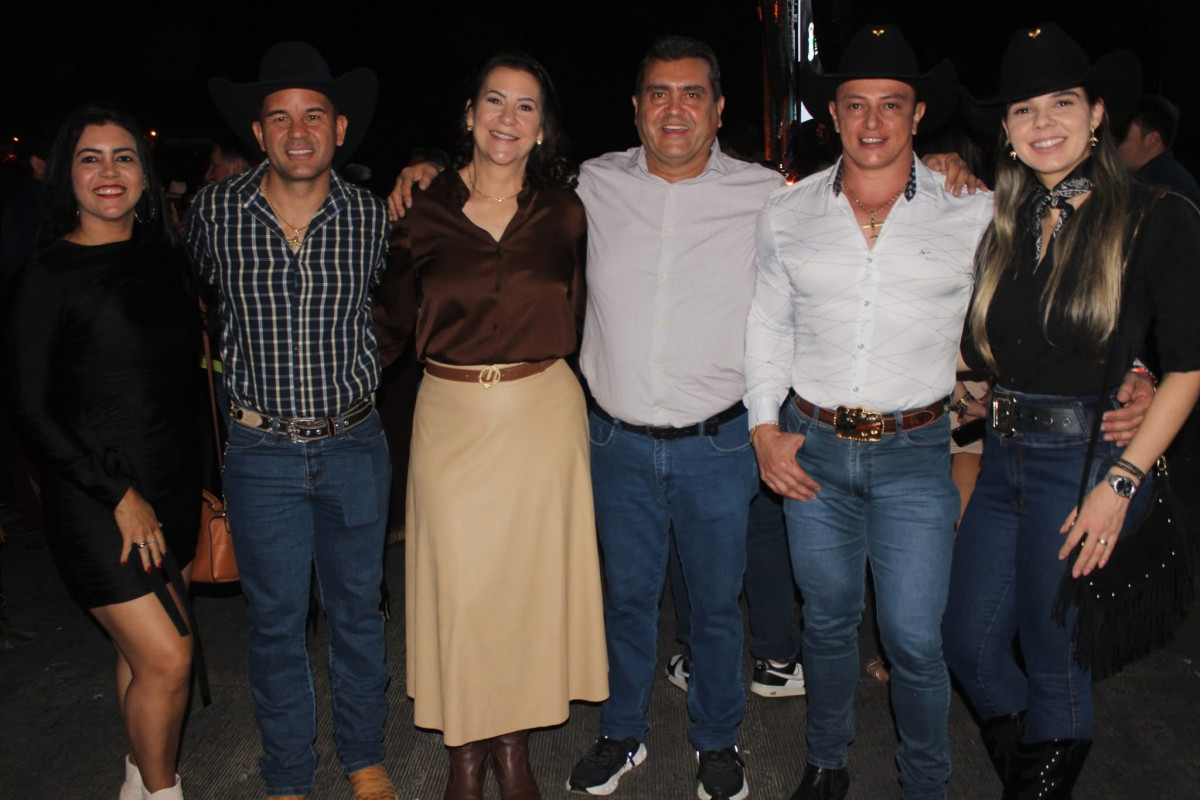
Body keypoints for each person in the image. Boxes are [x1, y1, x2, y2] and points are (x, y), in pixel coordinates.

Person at [943, 23, 1200, 798]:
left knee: (1056, 667)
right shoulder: (1005, 226)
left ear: (1097, 115)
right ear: (1007, 131)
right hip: (1002, 462)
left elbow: (1189, 368)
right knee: (969, 647)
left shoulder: (1156, 216)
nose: (1042, 121)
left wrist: (1122, 482)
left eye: (1062, 102)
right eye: (1023, 109)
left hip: (1087, 465)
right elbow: (992, 358)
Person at [744, 26, 992, 800]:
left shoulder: (973, 211)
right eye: (856, 104)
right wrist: (763, 429)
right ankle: (827, 762)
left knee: (914, 639)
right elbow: (767, 325)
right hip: (813, 448)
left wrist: (1136, 370)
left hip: (916, 456)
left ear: (918, 114)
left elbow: (1037, 309)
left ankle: (926, 783)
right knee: (826, 621)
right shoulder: (787, 213)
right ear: (833, 114)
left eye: (891, 104)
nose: (873, 120)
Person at [372, 51, 608, 800]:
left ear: (542, 129)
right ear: (469, 115)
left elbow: (586, 312)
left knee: (526, 593)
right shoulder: (421, 209)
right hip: (451, 417)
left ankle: (512, 752)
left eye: (526, 106)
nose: (508, 118)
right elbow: (387, 325)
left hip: (543, 415)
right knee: (464, 589)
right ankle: (464, 755)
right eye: (495, 101)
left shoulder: (567, 212)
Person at [186, 43, 396, 800]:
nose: (297, 131)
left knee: (358, 616)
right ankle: (287, 777)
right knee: (275, 625)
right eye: (280, 117)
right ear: (258, 131)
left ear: (339, 128)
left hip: (354, 445)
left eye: (313, 115)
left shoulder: (372, 218)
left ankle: (364, 758)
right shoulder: (213, 213)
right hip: (260, 451)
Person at [7, 102, 199, 800]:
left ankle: (136, 780)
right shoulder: (47, 275)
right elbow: (30, 411)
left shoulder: (165, 259)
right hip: (100, 500)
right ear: (67, 175)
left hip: (172, 487)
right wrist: (117, 495)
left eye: (124, 157)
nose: (109, 171)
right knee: (170, 657)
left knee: (143, 656)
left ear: (145, 174)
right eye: (91, 158)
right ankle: (163, 792)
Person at [1117, 94, 1200, 205]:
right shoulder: (1173, 180)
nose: (1116, 145)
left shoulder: (1167, 190)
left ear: (1152, 140)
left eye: (1123, 136)